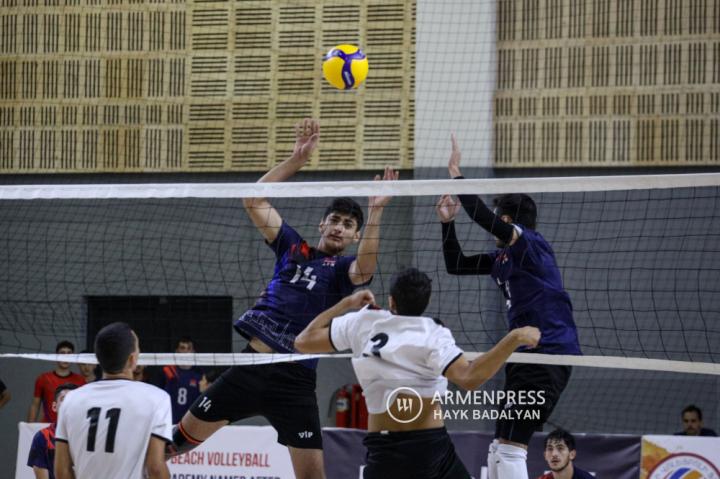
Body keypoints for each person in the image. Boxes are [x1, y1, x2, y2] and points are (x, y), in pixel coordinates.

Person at [169, 118, 396, 479]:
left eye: (348, 225)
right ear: (322, 225)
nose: (339, 227)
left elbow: (367, 267)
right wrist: (297, 161)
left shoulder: (344, 270)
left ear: (354, 236)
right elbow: (252, 198)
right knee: (173, 445)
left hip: (296, 381)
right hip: (250, 368)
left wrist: (377, 211)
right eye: (334, 220)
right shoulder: (292, 247)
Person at [294, 268, 541, 479]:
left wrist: (347, 303)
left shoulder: (363, 321)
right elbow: (470, 378)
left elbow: (302, 341)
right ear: (426, 301)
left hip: (384, 447)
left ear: (391, 300)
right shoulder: (432, 332)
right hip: (429, 446)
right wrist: (514, 337)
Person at [436, 135, 582, 479]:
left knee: (511, 447)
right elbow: (456, 264)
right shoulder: (503, 256)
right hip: (523, 357)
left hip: (549, 354)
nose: (494, 229)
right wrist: (447, 223)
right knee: (500, 446)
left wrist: (456, 175)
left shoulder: (531, 244)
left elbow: (483, 217)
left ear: (507, 220)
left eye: (499, 221)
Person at [54, 322, 172, 479]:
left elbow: (62, 471)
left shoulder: (71, 400)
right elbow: (155, 469)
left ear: (98, 358)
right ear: (132, 359)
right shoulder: (157, 398)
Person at [26, 383, 78, 479]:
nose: (69, 403)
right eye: (63, 399)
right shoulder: (42, 437)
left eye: (73, 400)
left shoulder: (88, 436)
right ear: (54, 406)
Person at [28, 341, 86, 423]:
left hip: (70, 428)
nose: (66, 357)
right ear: (56, 356)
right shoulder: (43, 378)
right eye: (62, 353)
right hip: (48, 427)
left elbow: (83, 407)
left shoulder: (81, 381)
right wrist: (29, 429)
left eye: (69, 353)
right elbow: (35, 405)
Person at [162, 337, 203, 424]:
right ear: (177, 351)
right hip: (170, 422)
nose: (186, 351)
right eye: (182, 348)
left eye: (189, 348)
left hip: (190, 423)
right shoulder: (168, 371)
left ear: (193, 352)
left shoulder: (199, 375)